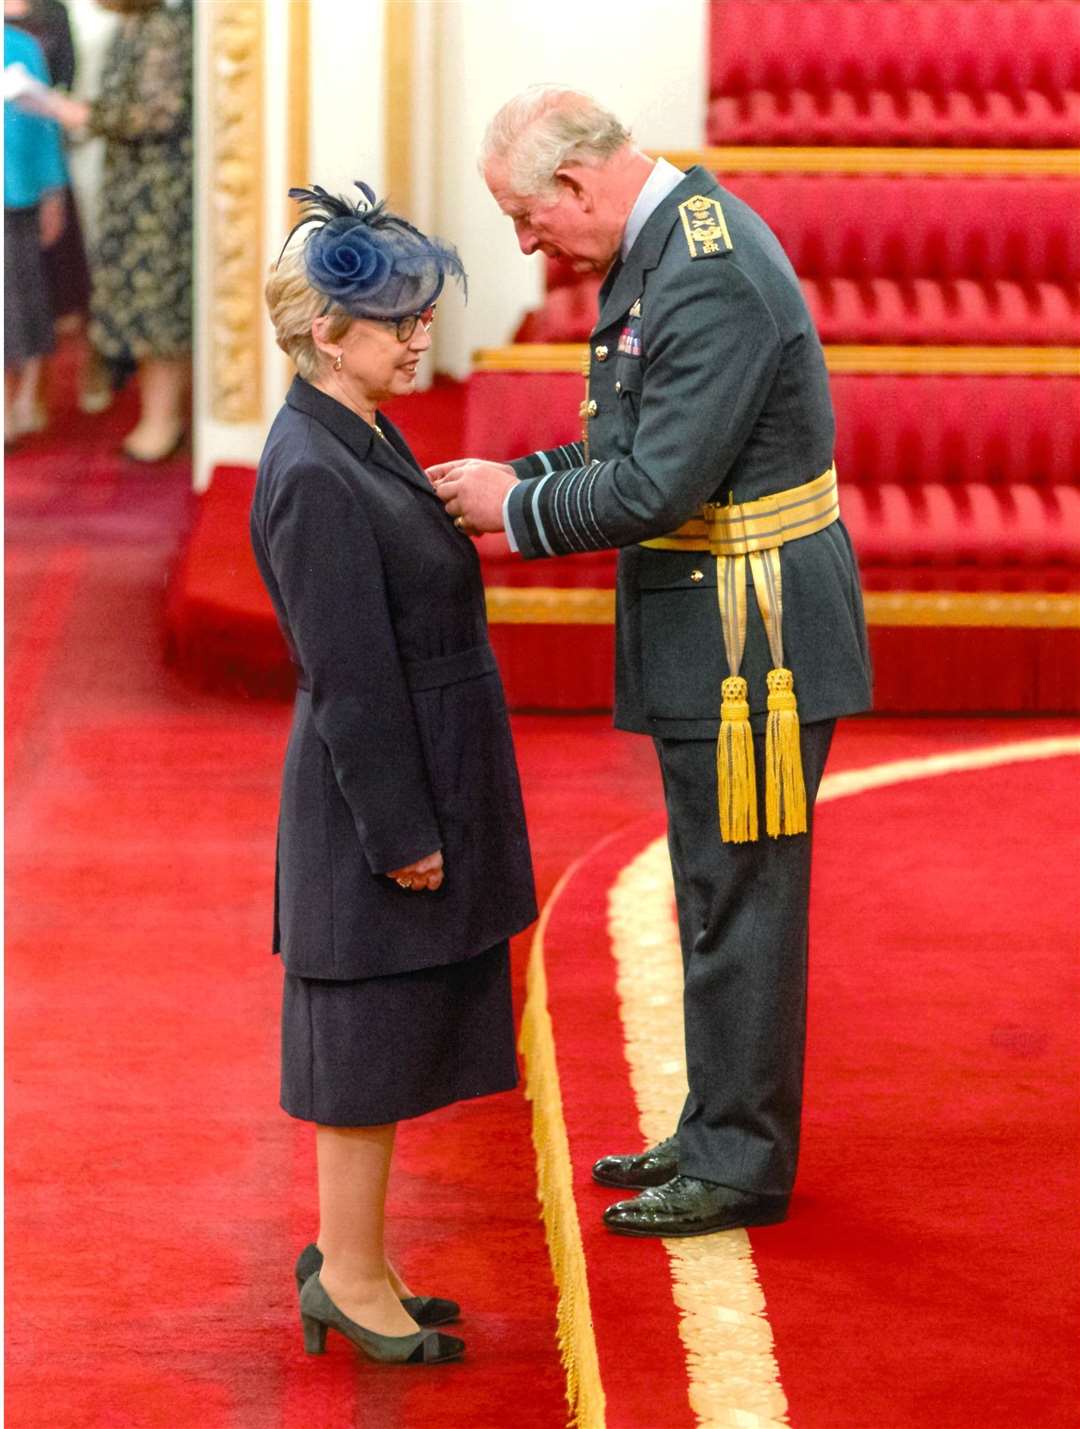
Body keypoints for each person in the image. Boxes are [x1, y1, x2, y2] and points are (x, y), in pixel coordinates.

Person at [433, 88, 872, 1238]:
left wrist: (513, 513)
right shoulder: (668, 243)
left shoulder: (704, 270)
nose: (529, 245)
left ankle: (740, 1158)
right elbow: (626, 437)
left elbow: (651, 488)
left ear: (577, 188)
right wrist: (516, 475)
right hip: (719, 625)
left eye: (529, 219)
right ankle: (720, 1119)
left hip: (751, 641)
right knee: (715, 892)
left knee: (742, 899)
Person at [251, 181, 537, 1363]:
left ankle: (356, 1257)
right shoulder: (315, 470)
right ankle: (350, 1277)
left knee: (390, 1031)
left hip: (420, 768)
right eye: (401, 318)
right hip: (377, 792)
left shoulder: (354, 427)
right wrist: (403, 833)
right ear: (331, 332)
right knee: (365, 1047)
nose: (424, 333)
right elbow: (353, 678)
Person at [53, 0, 191, 461]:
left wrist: (83, 115)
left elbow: (157, 112)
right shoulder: (134, 26)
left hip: (159, 194)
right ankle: (158, 418)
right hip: (135, 188)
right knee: (141, 308)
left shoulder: (165, 26)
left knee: (158, 310)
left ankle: (163, 421)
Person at [4, 19, 67, 444]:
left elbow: (46, 128)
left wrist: (54, 192)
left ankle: (21, 397)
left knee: (19, 300)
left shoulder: (22, 47)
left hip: (16, 194)